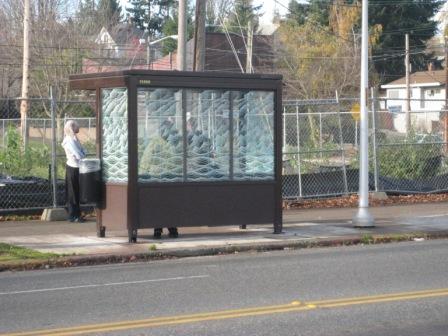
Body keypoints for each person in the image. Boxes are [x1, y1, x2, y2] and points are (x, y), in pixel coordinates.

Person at [62, 120, 86, 223]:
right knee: (72, 192)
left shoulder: (74, 139)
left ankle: (77, 214)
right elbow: (79, 154)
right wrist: (81, 154)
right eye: (76, 126)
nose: (78, 128)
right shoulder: (69, 140)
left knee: (76, 191)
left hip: (77, 167)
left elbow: (83, 152)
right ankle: (73, 215)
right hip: (72, 167)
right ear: (72, 127)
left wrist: (82, 154)